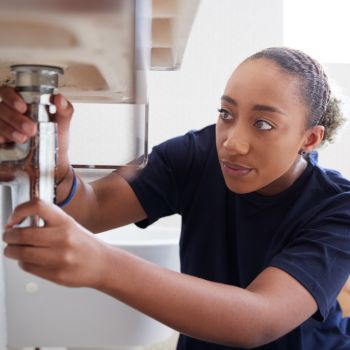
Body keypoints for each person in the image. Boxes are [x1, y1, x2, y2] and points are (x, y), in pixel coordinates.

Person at [1, 47, 350, 349]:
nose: (231, 142)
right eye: (226, 114)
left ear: (310, 139)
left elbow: (259, 318)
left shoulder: (338, 208)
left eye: (263, 124)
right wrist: (54, 164)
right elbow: (92, 208)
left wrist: (103, 264)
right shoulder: (196, 155)